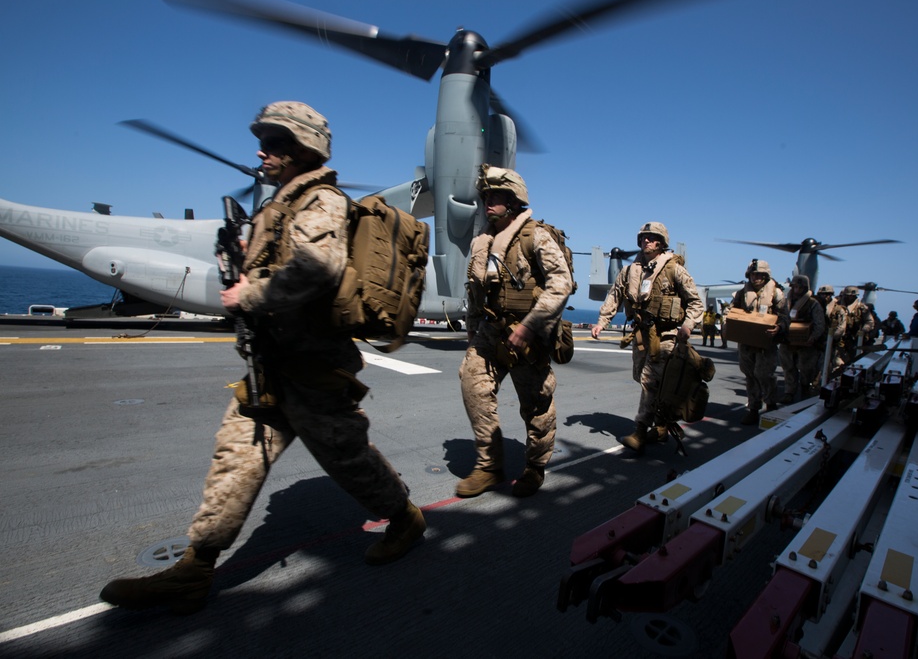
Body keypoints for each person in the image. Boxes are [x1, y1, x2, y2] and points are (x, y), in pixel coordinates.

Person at [100, 102, 426, 614]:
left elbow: (319, 265)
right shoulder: (281, 205)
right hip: (271, 365)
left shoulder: (321, 200)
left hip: (315, 368)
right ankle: (195, 569)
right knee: (236, 458)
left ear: (304, 148)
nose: (262, 151)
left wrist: (248, 296)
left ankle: (406, 519)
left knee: (349, 460)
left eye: (274, 142)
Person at [455, 165, 573, 498]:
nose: (488, 202)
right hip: (490, 333)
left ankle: (535, 467)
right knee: (472, 385)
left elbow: (561, 283)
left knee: (536, 405)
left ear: (514, 200)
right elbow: (475, 295)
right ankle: (489, 466)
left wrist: (530, 325)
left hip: (529, 335)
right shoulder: (482, 243)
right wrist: (472, 334)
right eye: (486, 196)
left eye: (496, 196)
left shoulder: (534, 235)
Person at [591, 222, 703, 454]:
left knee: (649, 381)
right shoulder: (631, 270)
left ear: (662, 243)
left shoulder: (674, 270)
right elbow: (615, 295)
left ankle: (640, 431)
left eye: (653, 238)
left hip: (666, 335)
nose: (647, 241)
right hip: (641, 335)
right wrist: (602, 321)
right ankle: (661, 427)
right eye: (644, 237)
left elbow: (695, 302)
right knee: (643, 378)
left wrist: (689, 325)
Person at [727, 259, 786, 426]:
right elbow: (731, 311)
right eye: (753, 275)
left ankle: (771, 406)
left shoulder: (777, 294)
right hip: (746, 343)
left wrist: (779, 327)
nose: (756, 278)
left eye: (760, 275)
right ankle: (753, 408)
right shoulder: (741, 293)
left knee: (765, 375)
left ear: (766, 276)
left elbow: (785, 316)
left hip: (766, 343)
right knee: (750, 375)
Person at [777, 275, 826, 404]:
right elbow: (778, 317)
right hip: (787, 341)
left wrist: (813, 338)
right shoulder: (784, 302)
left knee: (806, 369)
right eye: (795, 286)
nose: (797, 289)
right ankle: (789, 392)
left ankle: (805, 389)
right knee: (788, 368)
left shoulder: (813, 304)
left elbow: (819, 323)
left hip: (806, 343)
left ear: (805, 288)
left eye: (800, 287)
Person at [832, 286, 874, 369]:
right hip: (837, 337)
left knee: (852, 360)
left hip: (853, 338)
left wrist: (863, 330)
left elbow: (870, 322)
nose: (850, 297)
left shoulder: (861, 308)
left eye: (852, 296)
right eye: (848, 295)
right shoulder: (836, 305)